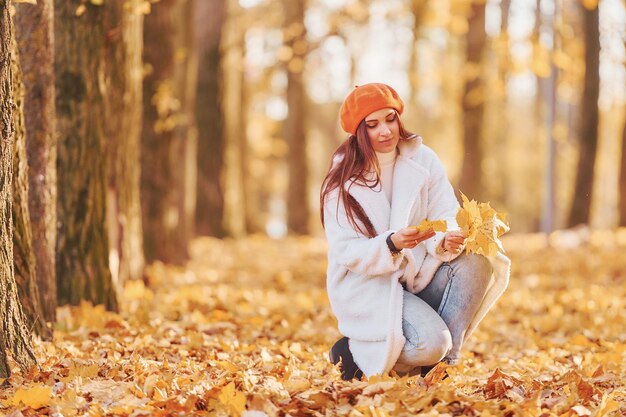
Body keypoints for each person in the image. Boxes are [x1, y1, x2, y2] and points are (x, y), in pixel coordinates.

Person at [320, 83, 511, 380]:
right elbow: (347, 251)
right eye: (372, 125)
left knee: (478, 260)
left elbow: (445, 212)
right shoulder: (342, 182)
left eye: (390, 119)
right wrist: (391, 244)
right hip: (370, 286)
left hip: (417, 275)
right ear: (358, 132)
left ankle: (441, 367)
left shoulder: (424, 160)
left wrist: (446, 239)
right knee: (430, 343)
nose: (385, 131)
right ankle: (353, 351)